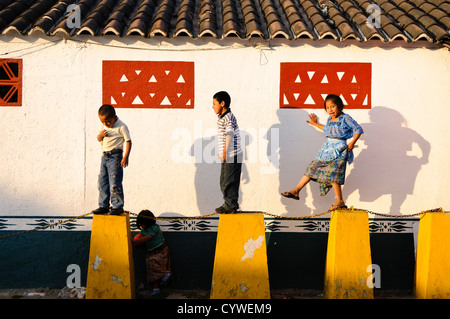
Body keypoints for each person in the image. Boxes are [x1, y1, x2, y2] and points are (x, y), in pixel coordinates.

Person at [281, 94, 364, 210]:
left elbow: (358, 129)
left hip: (339, 149)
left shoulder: (346, 118)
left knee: (334, 175)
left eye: (333, 106)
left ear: (339, 106)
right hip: (327, 149)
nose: (330, 110)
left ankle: (339, 201)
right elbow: (326, 129)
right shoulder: (329, 119)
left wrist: (352, 142)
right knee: (312, 167)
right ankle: (296, 190)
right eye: (328, 107)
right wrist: (314, 123)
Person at [92, 104, 132, 215]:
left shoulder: (121, 126)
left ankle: (117, 206)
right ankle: (103, 205)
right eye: (102, 122)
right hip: (104, 156)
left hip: (115, 156)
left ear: (115, 117)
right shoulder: (103, 126)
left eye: (108, 121)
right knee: (103, 181)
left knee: (115, 182)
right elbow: (98, 139)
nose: (105, 124)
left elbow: (128, 141)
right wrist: (101, 135)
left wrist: (126, 156)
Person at [212, 91, 243, 214]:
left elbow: (229, 133)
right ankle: (228, 203)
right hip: (228, 156)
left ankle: (231, 204)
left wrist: (224, 151)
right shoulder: (222, 117)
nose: (213, 107)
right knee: (224, 180)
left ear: (222, 103)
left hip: (233, 155)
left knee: (230, 181)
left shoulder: (228, 117)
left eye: (214, 104)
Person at [132, 210, 171, 296]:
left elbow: (149, 237)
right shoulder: (143, 231)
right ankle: (156, 289)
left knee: (159, 265)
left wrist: (135, 241)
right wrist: (138, 242)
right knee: (151, 271)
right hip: (151, 253)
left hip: (161, 251)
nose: (142, 226)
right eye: (140, 224)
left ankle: (166, 274)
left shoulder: (154, 228)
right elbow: (143, 241)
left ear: (148, 222)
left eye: (143, 224)